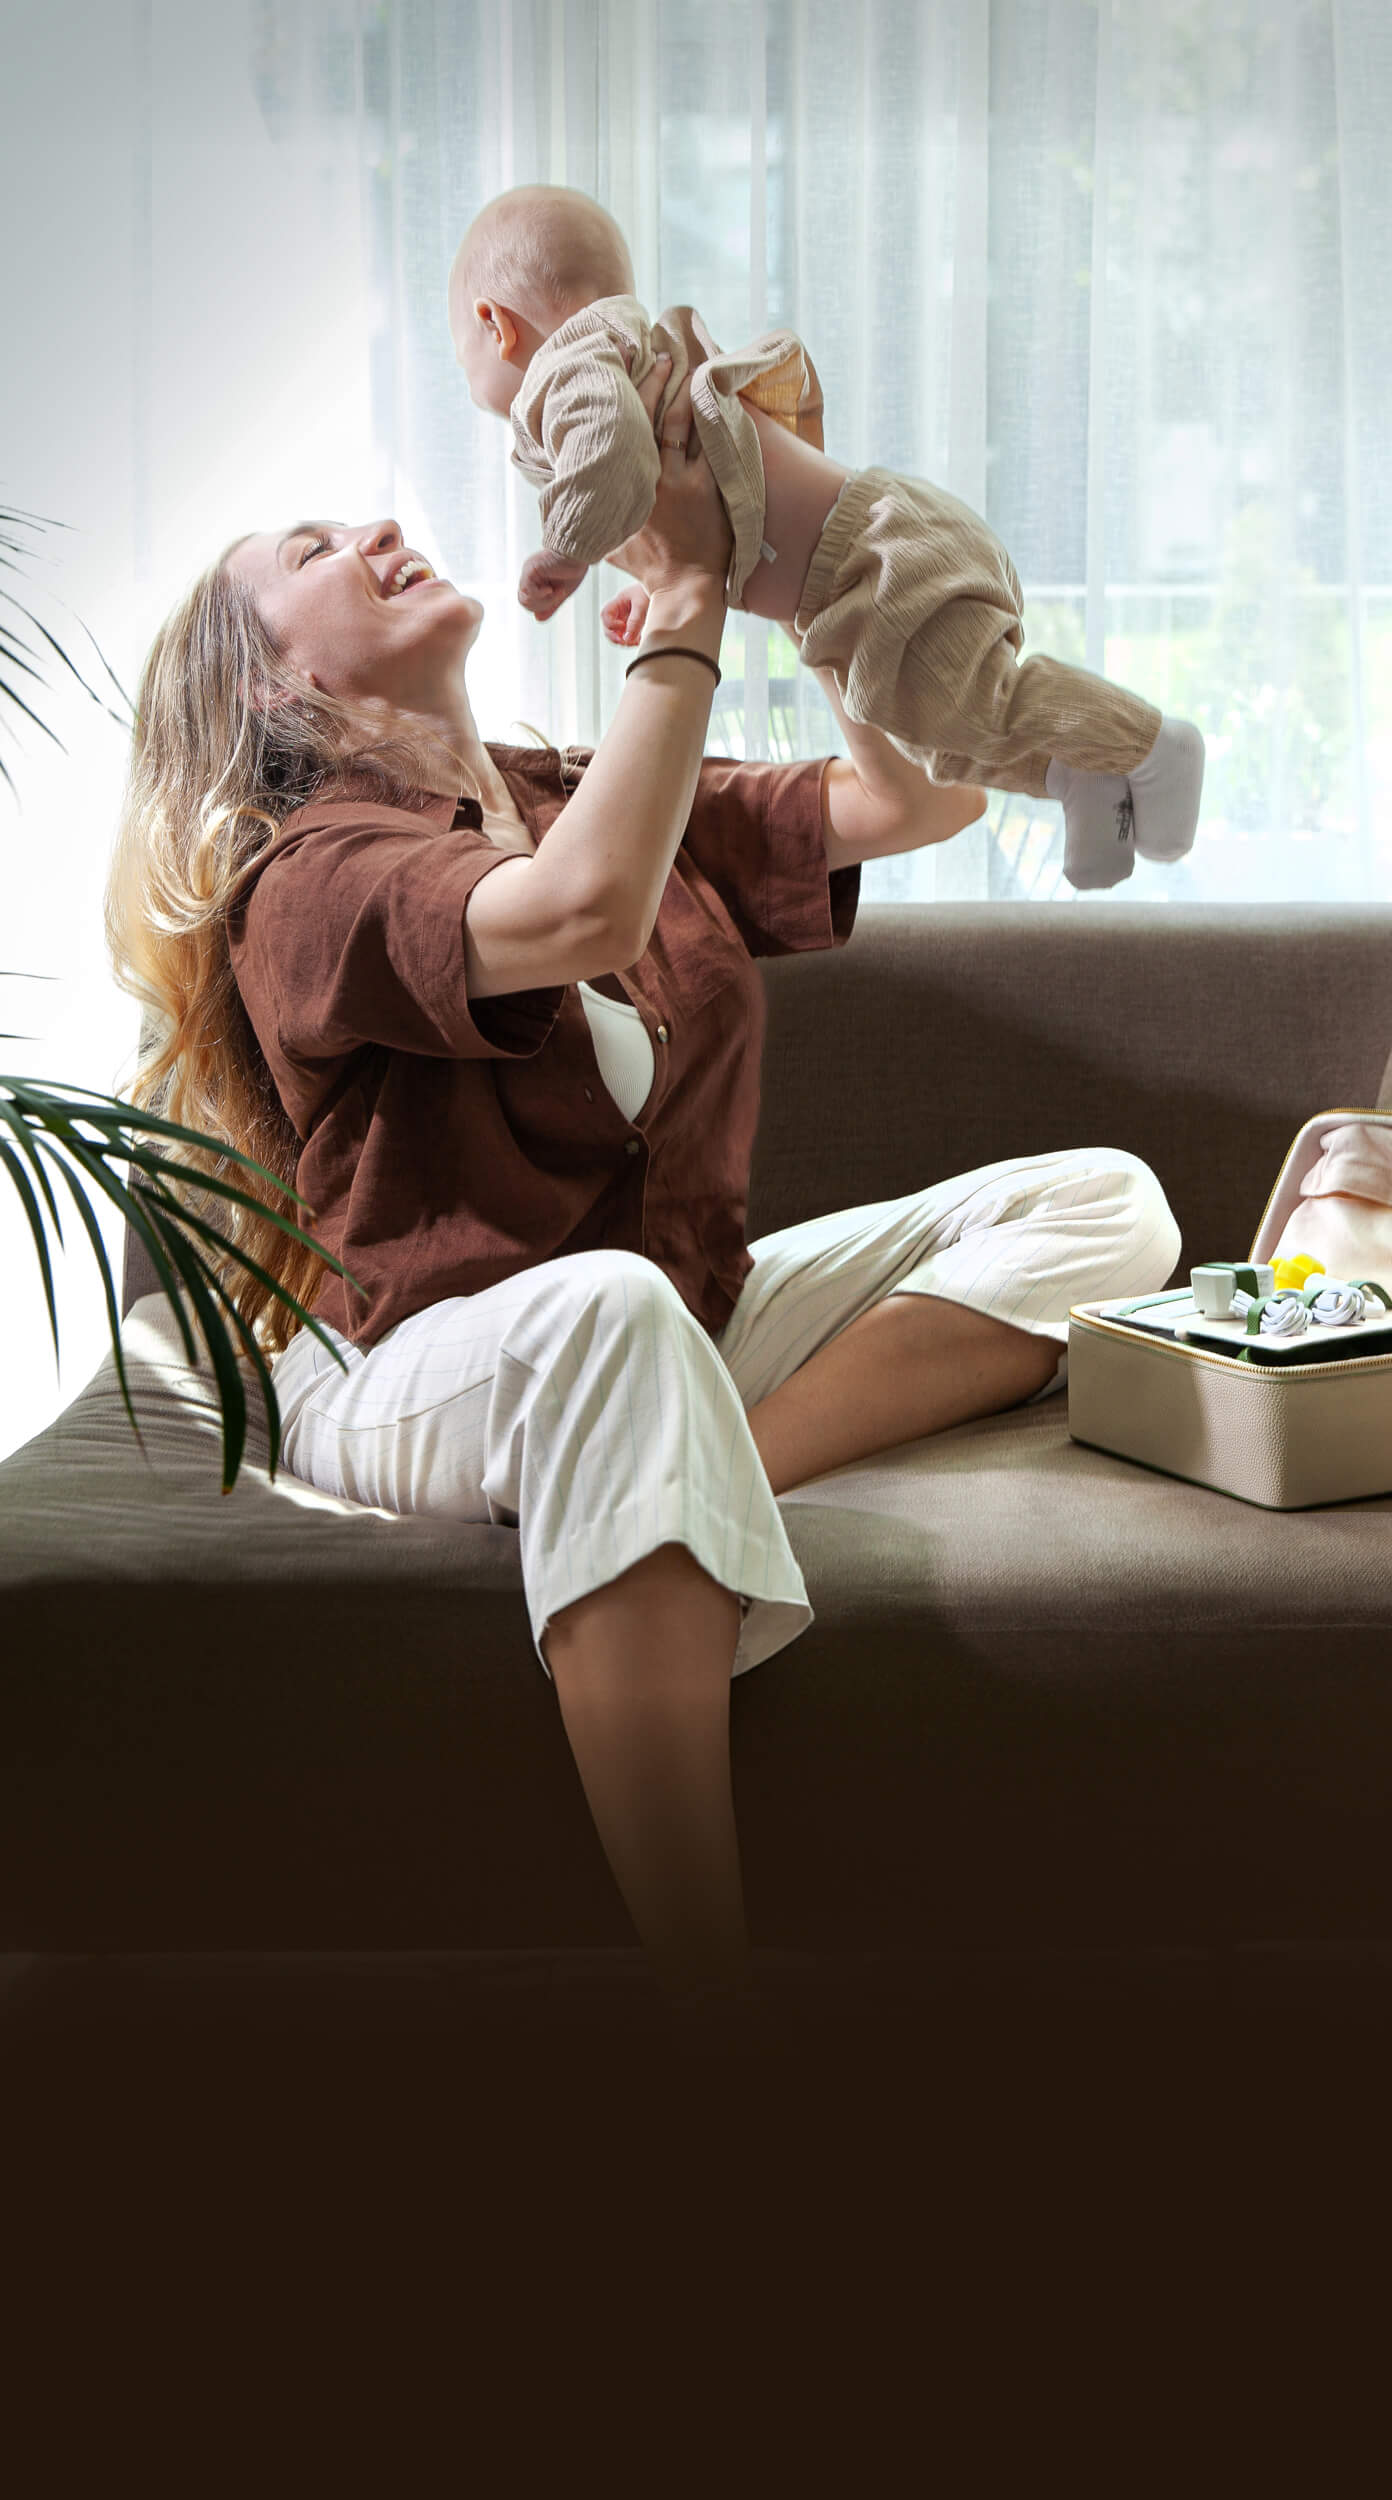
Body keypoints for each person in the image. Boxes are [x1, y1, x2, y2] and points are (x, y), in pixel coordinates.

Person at [103, 356, 1180, 2030]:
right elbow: (582, 914)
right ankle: (707, 2008)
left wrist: (800, 569)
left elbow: (919, 798)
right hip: (419, 1365)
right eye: (313, 551)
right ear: (278, 685)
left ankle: (701, 1468)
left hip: (669, 1326)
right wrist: (678, 612)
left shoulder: (559, 786)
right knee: (608, 1319)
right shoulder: (306, 881)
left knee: (1106, 1201)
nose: (374, 530)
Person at [448, 182, 1205, 893]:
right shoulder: (629, 360)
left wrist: (565, 551)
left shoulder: (569, 365)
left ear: (496, 325)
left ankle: (1155, 744)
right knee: (939, 737)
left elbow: (606, 458)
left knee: (980, 704)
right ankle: (1080, 775)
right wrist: (654, 589)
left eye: (465, 365)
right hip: (864, 562)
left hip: (874, 555)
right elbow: (703, 507)